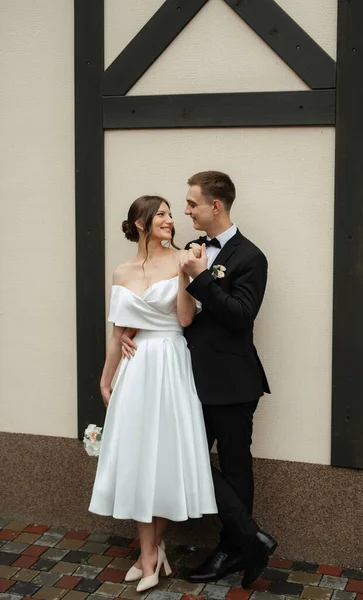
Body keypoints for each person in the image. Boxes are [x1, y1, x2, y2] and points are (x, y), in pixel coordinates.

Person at [121, 171, 278, 589]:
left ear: (215, 206)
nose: (185, 210)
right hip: (182, 380)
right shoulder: (190, 249)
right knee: (182, 459)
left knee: (235, 467)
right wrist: (136, 328)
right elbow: (173, 309)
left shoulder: (251, 257)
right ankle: (250, 539)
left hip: (232, 382)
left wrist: (203, 276)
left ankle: (235, 547)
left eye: (191, 204)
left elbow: (241, 317)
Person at [88, 195, 217, 593]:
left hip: (171, 363)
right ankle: (151, 553)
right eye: (160, 213)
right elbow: (117, 334)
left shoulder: (185, 259)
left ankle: (149, 555)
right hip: (135, 368)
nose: (170, 219)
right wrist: (106, 379)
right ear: (140, 223)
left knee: (162, 458)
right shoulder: (121, 271)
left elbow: (184, 318)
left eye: (170, 213)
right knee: (140, 457)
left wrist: (184, 275)